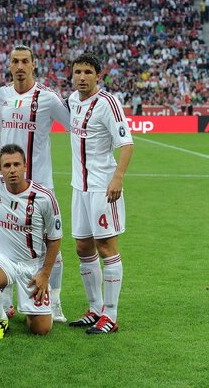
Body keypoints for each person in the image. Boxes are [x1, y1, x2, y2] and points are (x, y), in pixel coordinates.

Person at [0, 45, 70, 323]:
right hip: (5, 186)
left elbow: (74, 125)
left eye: (25, 61)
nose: (20, 66)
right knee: (5, 244)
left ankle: (55, 302)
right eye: (15, 61)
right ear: (9, 66)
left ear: (34, 65)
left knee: (50, 245)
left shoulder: (48, 98)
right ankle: (6, 304)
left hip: (40, 187)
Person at [67, 53, 133, 334]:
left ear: (98, 75)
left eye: (87, 72)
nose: (82, 77)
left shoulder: (108, 103)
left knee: (106, 247)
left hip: (102, 187)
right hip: (78, 187)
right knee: (83, 247)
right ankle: (94, 309)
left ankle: (111, 315)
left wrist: (117, 177)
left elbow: (126, 144)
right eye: (77, 72)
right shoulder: (72, 100)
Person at [0, 144, 63, 339]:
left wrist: (45, 275)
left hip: (32, 267)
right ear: (0, 169)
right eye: (7, 165)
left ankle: (34, 311)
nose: (12, 170)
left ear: (25, 166)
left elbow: (55, 238)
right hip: (3, 260)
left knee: (40, 330)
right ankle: (1, 318)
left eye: (17, 164)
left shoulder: (44, 197)